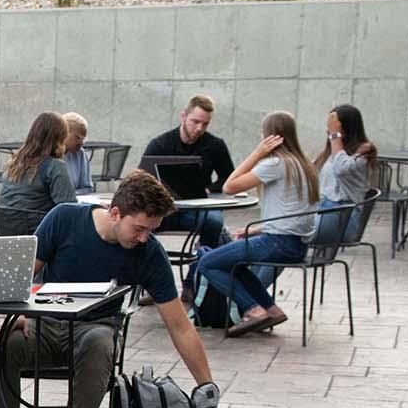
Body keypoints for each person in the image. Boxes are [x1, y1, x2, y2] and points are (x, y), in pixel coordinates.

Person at [0, 172, 216, 408]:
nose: (144, 238)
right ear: (115, 213)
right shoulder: (64, 219)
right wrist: (16, 309)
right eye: (139, 228)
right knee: (1, 341)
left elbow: (180, 325)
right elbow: (21, 273)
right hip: (44, 324)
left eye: (151, 230)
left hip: (94, 331)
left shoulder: (150, 253)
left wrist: (206, 385)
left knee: (101, 344)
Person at [197, 111, 322, 338]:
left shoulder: (276, 163)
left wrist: (257, 153)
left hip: (278, 242)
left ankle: (254, 310)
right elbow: (293, 213)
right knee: (235, 263)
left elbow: (229, 186)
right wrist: (257, 229)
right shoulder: (304, 164)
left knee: (208, 262)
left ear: (270, 137)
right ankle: (272, 310)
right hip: (295, 244)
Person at [141, 94, 237, 249]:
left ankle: (199, 269)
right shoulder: (160, 144)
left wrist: (209, 189)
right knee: (139, 222)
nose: (199, 128)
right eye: (195, 121)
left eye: (205, 124)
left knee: (214, 222)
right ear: (183, 116)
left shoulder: (215, 145)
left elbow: (228, 177)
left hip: (198, 208)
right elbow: (142, 177)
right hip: (164, 210)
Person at [0, 112, 77, 232]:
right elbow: (69, 208)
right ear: (60, 139)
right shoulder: (55, 166)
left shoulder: (13, 163)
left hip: (8, 233)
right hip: (39, 233)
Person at [315, 103, 377, 210]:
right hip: (323, 209)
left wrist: (335, 135)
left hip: (345, 212)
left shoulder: (363, 153)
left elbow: (341, 169)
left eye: (334, 127)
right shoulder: (329, 154)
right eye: (329, 126)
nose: (329, 131)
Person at [62, 112, 95, 193]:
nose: (81, 143)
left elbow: (87, 187)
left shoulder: (80, 153)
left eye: (83, 139)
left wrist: (72, 195)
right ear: (64, 133)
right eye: (77, 137)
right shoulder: (47, 152)